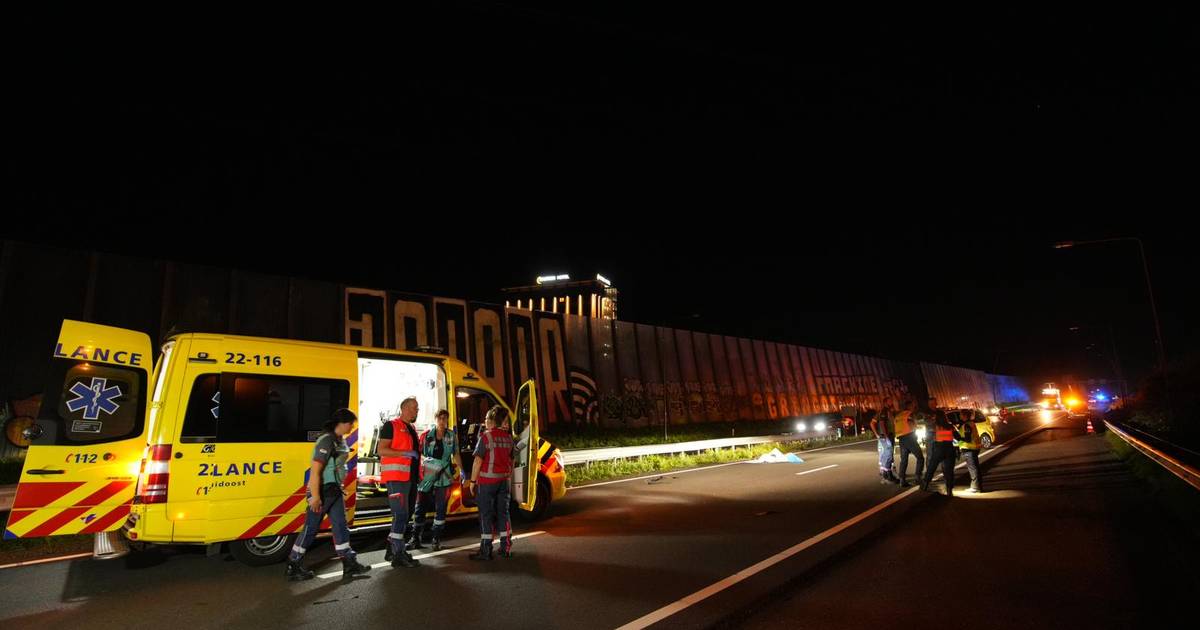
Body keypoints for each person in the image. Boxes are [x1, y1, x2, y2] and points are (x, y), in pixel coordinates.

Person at [285, 408, 371, 581]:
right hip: (322, 491)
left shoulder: (339, 439)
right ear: (342, 423)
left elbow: (336, 466)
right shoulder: (326, 440)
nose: (352, 427)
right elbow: (315, 471)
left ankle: (349, 564)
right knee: (311, 528)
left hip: (333, 490)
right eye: (351, 424)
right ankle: (293, 564)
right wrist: (315, 496)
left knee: (340, 526)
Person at [410, 409, 465, 551]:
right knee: (420, 507)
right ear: (435, 419)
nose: (442, 421)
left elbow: (456, 454)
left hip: (444, 476)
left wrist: (462, 471)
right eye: (440, 418)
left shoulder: (451, 436)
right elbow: (420, 455)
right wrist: (429, 462)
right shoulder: (426, 435)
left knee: (441, 508)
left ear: (447, 420)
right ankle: (415, 538)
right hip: (427, 475)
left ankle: (436, 539)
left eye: (444, 419)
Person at [464, 406, 515, 561]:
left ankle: (486, 550)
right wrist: (507, 476)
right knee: (504, 514)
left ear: (493, 420)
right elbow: (511, 461)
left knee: (486, 515)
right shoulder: (508, 438)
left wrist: (472, 481)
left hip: (487, 483)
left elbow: (477, 461)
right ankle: (506, 548)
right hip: (503, 482)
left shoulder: (486, 437)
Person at [379, 397, 422, 568]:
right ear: (403, 408)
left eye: (417, 408)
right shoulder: (391, 425)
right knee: (400, 515)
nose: (416, 411)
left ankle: (392, 550)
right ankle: (398, 554)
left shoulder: (411, 428)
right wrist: (406, 453)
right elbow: (381, 449)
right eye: (413, 408)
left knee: (406, 515)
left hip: (410, 479)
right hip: (396, 478)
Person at [921, 409, 961, 496]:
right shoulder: (950, 426)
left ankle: (925, 485)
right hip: (949, 449)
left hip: (938, 448)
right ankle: (949, 490)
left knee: (932, 467)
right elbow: (958, 437)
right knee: (949, 470)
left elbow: (929, 436)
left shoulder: (935, 426)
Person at [893, 398, 925, 487]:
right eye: (912, 406)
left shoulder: (898, 416)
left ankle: (902, 480)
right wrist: (915, 433)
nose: (914, 407)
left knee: (904, 460)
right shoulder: (909, 414)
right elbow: (911, 425)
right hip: (909, 438)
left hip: (901, 439)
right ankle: (918, 478)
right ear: (909, 406)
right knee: (920, 457)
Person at [955, 409, 985, 493]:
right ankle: (978, 486)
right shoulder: (971, 423)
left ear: (964, 416)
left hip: (969, 449)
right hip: (974, 448)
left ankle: (975, 487)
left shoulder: (966, 425)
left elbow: (967, 439)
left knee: (973, 469)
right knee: (975, 468)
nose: (960, 416)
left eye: (961, 415)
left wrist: (958, 437)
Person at [870, 406, 899, 484]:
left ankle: (886, 475)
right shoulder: (883, 413)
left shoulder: (888, 413)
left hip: (888, 436)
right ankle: (887, 476)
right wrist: (884, 436)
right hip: (885, 437)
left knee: (888, 455)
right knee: (888, 456)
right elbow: (880, 424)